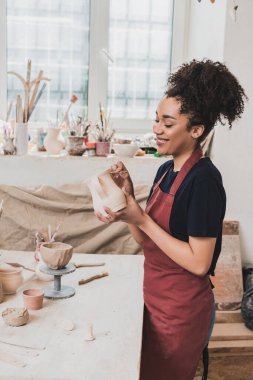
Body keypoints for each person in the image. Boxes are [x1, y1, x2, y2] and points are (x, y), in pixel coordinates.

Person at [95, 59, 247, 380]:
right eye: (156, 121)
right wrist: (128, 200)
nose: (157, 129)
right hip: (153, 301)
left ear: (196, 130)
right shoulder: (164, 170)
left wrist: (142, 219)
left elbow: (198, 263)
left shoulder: (204, 180)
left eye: (167, 123)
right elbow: (144, 240)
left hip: (182, 314)